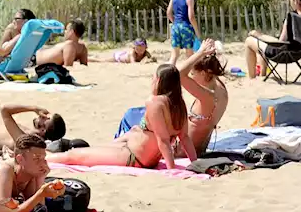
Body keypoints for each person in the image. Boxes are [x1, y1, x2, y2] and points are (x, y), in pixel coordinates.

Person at [56, 65, 197, 169]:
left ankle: (43, 158)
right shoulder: (179, 105)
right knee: (95, 148)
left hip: (133, 155)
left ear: (159, 80)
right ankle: (48, 152)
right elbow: (184, 138)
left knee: (73, 156)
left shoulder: (154, 102)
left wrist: (171, 170)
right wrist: (195, 163)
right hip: (140, 152)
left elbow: (163, 140)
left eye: (153, 78)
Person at [243, 0, 301, 79]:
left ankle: (252, 78)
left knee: (249, 41)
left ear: (296, 0)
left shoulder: (292, 17)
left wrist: (260, 36)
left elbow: (280, 42)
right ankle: (262, 74)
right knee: (261, 40)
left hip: (283, 55)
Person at [176, 39, 229, 155]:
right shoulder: (221, 89)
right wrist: (206, 53)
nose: (191, 77)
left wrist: (200, 53)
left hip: (182, 153)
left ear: (203, 73)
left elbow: (178, 74)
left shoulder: (207, 96)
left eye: (193, 74)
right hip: (199, 150)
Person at [167, 0, 201, 64]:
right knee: (190, 54)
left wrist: (175, 23)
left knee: (174, 55)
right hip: (186, 27)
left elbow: (168, 13)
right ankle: (193, 73)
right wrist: (197, 32)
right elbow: (191, 17)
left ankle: (168, 74)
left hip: (175, 27)